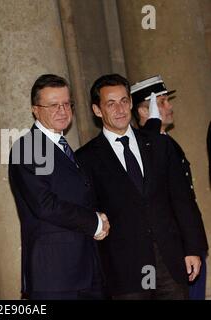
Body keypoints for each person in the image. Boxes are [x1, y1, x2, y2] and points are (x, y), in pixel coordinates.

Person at [75, 74, 206, 300]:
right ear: (97, 110)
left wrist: (193, 248)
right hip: (124, 271)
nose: (120, 109)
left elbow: (182, 200)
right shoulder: (85, 159)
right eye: (111, 103)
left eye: (124, 101)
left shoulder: (159, 144)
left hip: (170, 262)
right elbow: (86, 211)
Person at [8, 74, 110, 300]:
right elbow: (45, 205)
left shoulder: (63, 147)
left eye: (66, 104)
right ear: (35, 109)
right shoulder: (29, 148)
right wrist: (94, 221)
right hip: (55, 276)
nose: (62, 111)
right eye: (53, 105)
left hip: (87, 268)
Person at [130, 75, 208, 300]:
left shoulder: (168, 142)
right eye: (161, 102)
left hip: (189, 244)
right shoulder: (145, 147)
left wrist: (194, 244)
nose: (169, 106)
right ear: (144, 111)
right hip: (174, 250)